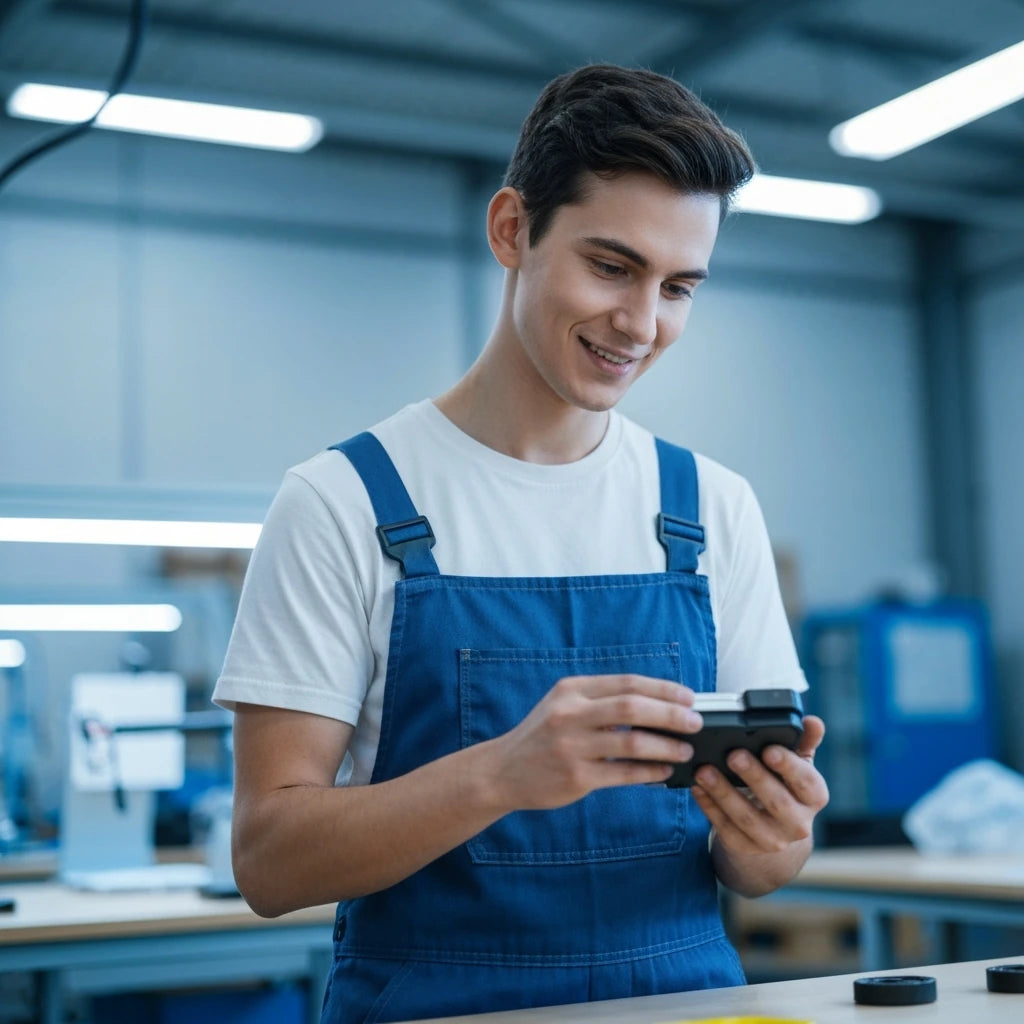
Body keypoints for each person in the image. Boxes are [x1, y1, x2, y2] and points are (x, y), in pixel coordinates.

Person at [213, 63, 829, 1024]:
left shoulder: (711, 507)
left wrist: (771, 835)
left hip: (681, 1002)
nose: (641, 323)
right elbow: (268, 860)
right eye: (612, 266)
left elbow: (763, 868)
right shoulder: (341, 503)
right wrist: (502, 773)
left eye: (680, 287)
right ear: (512, 230)